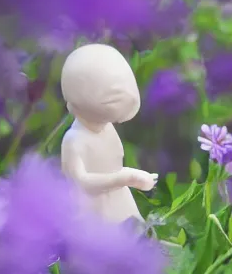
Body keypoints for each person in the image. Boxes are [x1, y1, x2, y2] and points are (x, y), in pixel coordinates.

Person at [60, 43, 158, 223]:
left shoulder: (107, 128)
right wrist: (126, 178)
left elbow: (112, 169)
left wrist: (133, 178)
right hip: (92, 213)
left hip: (119, 203)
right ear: (73, 105)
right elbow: (81, 183)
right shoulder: (74, 140)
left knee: (137, 242)